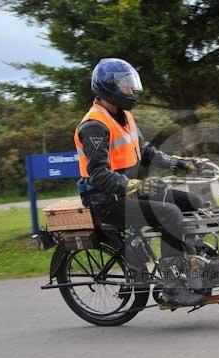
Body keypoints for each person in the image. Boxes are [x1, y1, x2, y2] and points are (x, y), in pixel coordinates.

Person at [74, 58, 206, 306]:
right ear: (108, 87)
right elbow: (99, 175)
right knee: (170, 215)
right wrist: (135, 186)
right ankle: (172, 286)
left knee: (193, 202)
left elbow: (145, 150)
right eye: (125, 85)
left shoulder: (123, 117)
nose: (131, 90)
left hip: (129, 194)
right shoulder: (94, 126)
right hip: (106, 202)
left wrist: (180, 163)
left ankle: (194, 266)